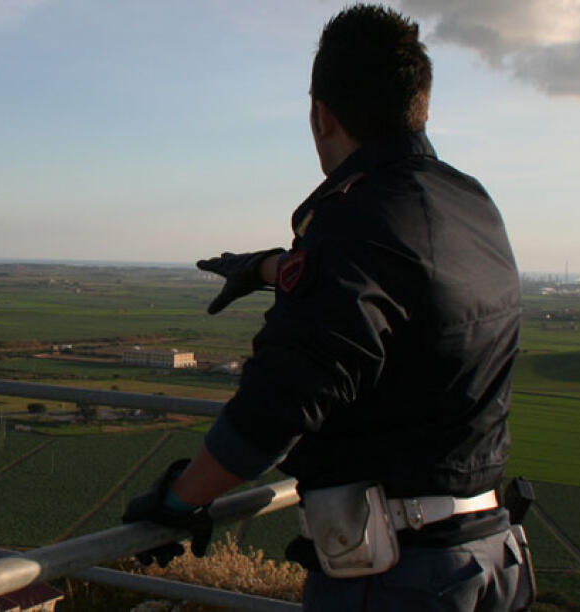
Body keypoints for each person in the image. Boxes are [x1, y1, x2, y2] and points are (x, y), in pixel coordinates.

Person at [124, 5, 526, 610]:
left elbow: (277, 405)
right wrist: (269, 268)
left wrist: (179, 500)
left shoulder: (354, 219)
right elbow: (404, 305)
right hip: (490, 558)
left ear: (321, 116)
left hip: (402, 581)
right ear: (420, 103)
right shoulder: (471, 205)